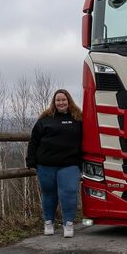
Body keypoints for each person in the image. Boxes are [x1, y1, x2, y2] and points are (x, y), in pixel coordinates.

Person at [26, 89, 82, 238]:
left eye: (64, 100)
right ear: (54, 102)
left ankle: (68, 223)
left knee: (69, 192)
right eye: (58, 100)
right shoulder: (45, 119)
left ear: (69, 101)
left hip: (70, 164)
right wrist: (30, 160)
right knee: (49, 194)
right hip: (46, 165)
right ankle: (48, 222)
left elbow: (86, 141)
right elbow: (34, 141)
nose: (61, 102)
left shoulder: (78, 119)